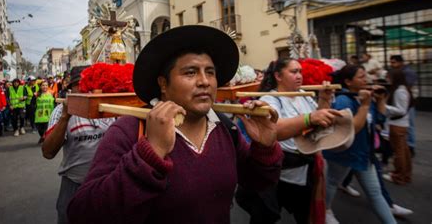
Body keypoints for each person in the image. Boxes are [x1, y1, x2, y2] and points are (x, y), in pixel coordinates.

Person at [67, 25, 283, 224]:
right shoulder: (131, 130)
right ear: (163, 84)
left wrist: (264, 148)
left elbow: (258, 183)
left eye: (210, 72)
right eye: (190, 72)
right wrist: (150, 155)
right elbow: (83, 214)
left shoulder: (225, 128)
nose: (204, 81)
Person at [240, 59, 338, 224]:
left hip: (305, 171)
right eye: (293, 72)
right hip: (279, 175)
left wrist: (324, 99)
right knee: (265, 217)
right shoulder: (270, 99)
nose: (299, 76)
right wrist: (309, 118)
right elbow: (275, 130)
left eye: (300, 71)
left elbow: (319, 121)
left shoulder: (304, 96)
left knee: (306, 217)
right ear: (278, 75)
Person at [41, 65, 115, 224]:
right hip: (74, 185)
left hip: (108, 184)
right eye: (82, 85)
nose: (88, 90)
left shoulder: (110, 108)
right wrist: (65, 117)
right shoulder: (61, 110)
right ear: (71, 89)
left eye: (92, 85)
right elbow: (48, 152)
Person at [323, 65, 396, 224]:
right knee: (332, 183)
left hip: (363, 154)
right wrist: (364, 105)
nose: (366, 80)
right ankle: (325, 210)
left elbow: (379, 121)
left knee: (375, 193)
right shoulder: (343, 100)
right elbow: (351, 129)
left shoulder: (363, 96)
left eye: (365, 76)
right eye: (361, 77)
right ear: (348, 82)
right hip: (344, 154)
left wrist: (381, 100)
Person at [382, 69, 413, 185]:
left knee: (399, 152)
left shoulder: (399, 91)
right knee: (403, 151)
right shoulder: (403, 89)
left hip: (397, 125)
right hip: (401, 124)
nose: (387, 80)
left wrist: (384, 106)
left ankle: (400, 176)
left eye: (388, 77)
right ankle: (404, 174)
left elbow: (401, 110)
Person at [389, 55, 417, 157]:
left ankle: (411, 145)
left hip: (408, 102)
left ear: (401, 62)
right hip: (402, 100)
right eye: (391, 62)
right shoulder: (395, 72)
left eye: (394, 62)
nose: (392, 64)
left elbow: (407, 86)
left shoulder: (408, 73)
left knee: (410, 124)